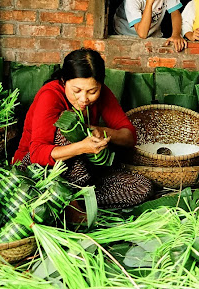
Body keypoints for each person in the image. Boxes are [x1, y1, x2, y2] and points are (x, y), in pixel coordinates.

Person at [12, 48, 154, 208]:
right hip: (37, 172)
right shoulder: (50, 95)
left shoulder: (103, 94)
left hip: (83, 174)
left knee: (142, 187)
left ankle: (72, 201)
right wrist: (82, 147)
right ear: (64, 81)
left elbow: (129, 137)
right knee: (67, 128)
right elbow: (37, 153)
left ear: (100, 85)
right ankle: (63, 199)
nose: (84, 99)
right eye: (76, 91)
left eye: (92, 91)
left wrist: (99, 131)